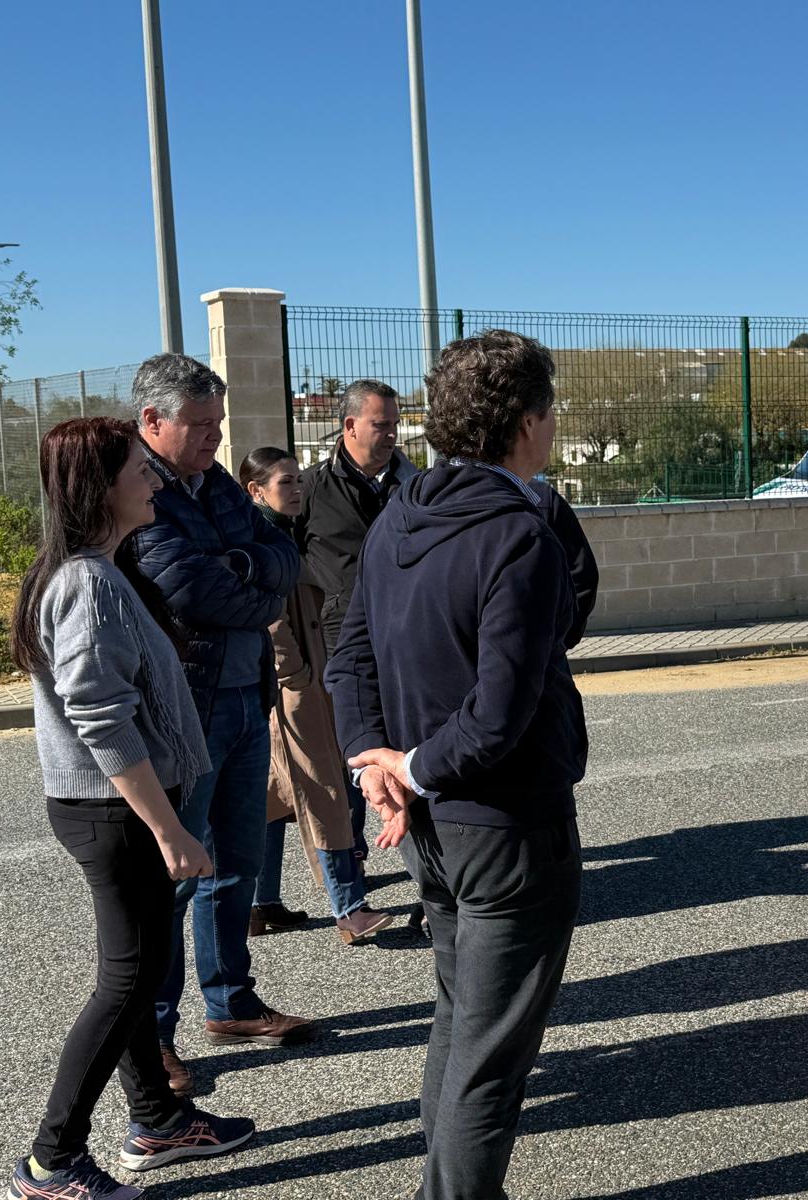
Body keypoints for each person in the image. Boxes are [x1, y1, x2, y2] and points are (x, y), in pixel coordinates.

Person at [327, 331, 587, 1200]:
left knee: (460, 1023)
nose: (552, 426)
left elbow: (349, 663)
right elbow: (499, 713)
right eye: (549, 411)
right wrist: (403, 766)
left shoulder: (399, 513)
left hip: (428, 824)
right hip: (505, 825)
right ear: (525, 422)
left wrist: (377, 766)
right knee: (489, 1059)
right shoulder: (519, 534)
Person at [6, 418, 254, 1200]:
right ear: (101, 487)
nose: (154, 482)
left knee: (138, 971)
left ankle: (158, 1119)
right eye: (139, 471)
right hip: (114, 812)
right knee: (126, 981)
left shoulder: (96, 570)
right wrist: (168, 828)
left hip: (112, 808)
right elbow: (101, 718)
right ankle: (51, 1163)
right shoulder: (85, 583)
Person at [127, 354, 312, 1097]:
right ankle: (154, 1038)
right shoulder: (136, 484)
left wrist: (243, 567)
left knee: (236, 864)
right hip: (185, 712)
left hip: (243, 698)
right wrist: (253, 582)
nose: (215, 436)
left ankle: (231, 1002)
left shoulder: (217, 485)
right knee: (175, 878)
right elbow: (189, 589)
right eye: (200, 424)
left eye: (219, 422)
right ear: (152, 421)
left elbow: (284, 556)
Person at [239, 448, 392, 945]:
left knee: (275, 793)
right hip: (292, 686)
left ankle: (259, 904)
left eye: (299, 481)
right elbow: (270, 619)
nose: (298, 490)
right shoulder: (260, 541)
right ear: (255, 490)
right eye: (286, 482)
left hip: (297, 679)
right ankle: (349, 909)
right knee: (323, 789)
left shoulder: (283, 533)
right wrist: (296, 676)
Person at [297, 381, 419, 866]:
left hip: (406, 640)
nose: (392, 435)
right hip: (338, 645)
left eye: (395, 425)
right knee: (350, 750)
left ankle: (428, 862)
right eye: (381, 425)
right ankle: (349, 862)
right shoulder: (310, 489)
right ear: (349, 426)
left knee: (410, 747)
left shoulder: (415, 487)